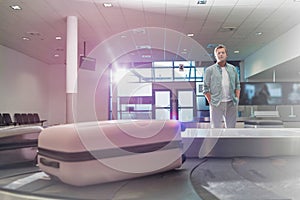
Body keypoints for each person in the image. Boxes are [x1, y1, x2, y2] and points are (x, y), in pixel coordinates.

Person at [203, 44, 240, 128]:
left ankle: (230, 141)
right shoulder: (209, 70)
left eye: (222, 52)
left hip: (231, 103)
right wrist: (211, 101)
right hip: (216, 103)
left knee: (231, 129)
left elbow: (237, 85)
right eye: (218, 53)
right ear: (215, 56)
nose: (221, 54)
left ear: (226, 55)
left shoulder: (233, 69)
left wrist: (237, 98)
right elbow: (205, 88)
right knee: (216, 129)